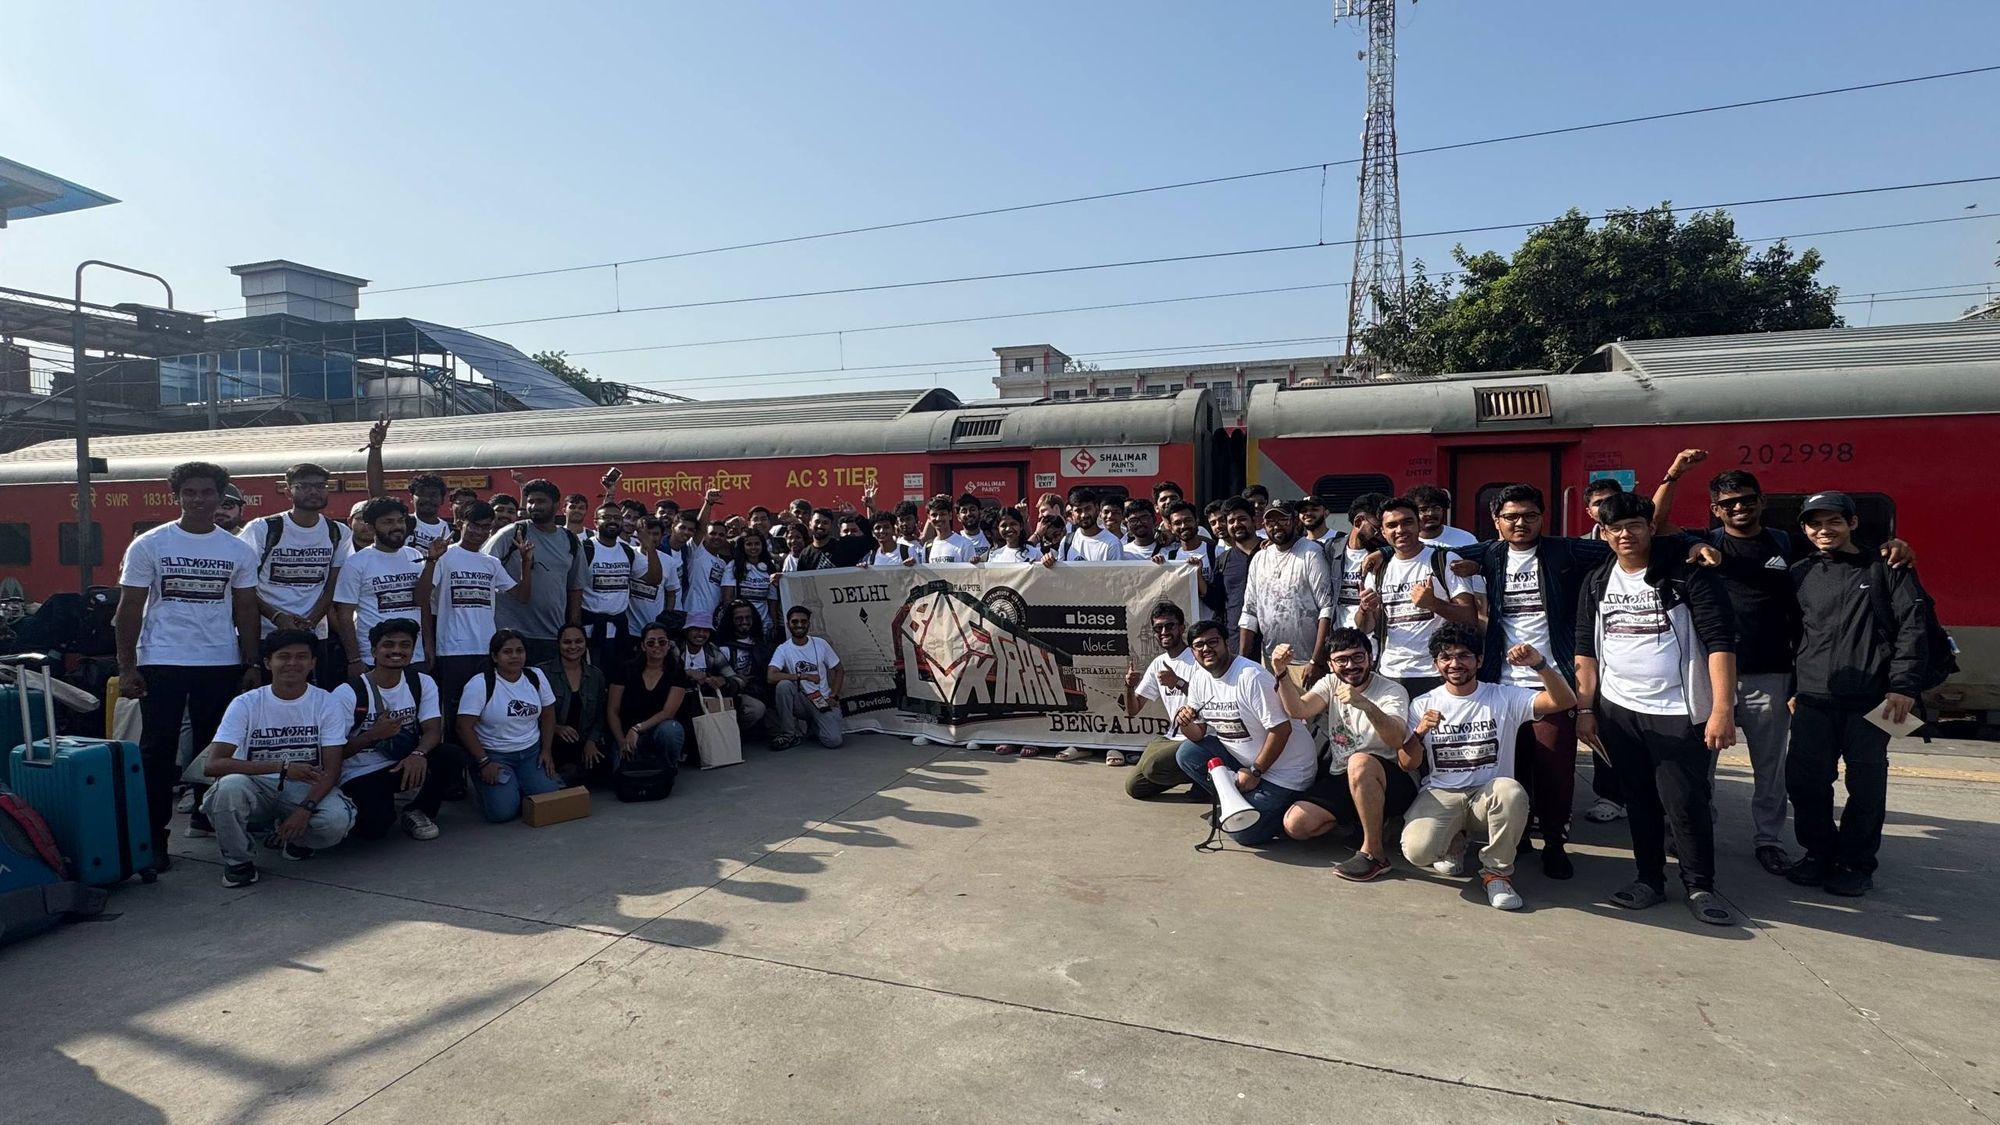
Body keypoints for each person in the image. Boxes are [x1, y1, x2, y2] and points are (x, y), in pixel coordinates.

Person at [1651, 452, 1915, 876]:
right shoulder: (1703, 543)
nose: (1739, 507)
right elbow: (1656, 523)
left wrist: (1894, 547)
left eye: (1747, 499)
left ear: (1761, 501)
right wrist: (1674, 473)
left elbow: (1837, 562)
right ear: (1715, 510)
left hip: (1771, 673)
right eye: (1728, 503)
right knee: (1699, 765)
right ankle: (1694, 830)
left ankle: (1769, 840)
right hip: (1709, 676)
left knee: (1770, 769)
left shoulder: (1785, 543)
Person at [1574, 491, 1740, 926]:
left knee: (1684, 801)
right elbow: (1585, 651)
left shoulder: (1686, 574)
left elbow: (1719, 641)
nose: (1625, 534)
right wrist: (1585, 708)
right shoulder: (1596, 580)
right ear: (1604, 534)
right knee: (1639, 800)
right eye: (1615, 528)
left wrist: (1722, 708)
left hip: (1678, 708)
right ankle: (1648, 879)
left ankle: (1700, 884)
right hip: (1617, 709)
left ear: (1651, 527)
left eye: (1634, 525)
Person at [1785, 491, 1932, 897]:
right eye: (1814, 523)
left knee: (1867, 785)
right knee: (1805, 783)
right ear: (1804, 530)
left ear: (1852, 523)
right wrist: (1795, 687)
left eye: (1833, 521)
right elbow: (1796, 634)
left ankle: (1855, 862)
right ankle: (1818, 853)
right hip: (1814, 696)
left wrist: (1903, 686)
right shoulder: (1800, 572)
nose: (1823, 530)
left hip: (1875, 698)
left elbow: (1911, 629)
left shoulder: (1888, 567)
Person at [116, 459, 263, 862]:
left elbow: (247, 610)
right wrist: (127, 667)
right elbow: (129, 610)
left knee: (212, 749)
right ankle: (154, 837)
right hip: (162, 660)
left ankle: (208, 819)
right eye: (190, 493)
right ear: (176, 497)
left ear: (221, 496)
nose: (199, 500)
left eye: (207, 492)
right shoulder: (150, 544)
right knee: (157, 751)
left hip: (219, 661)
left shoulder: (236, 549)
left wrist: (252, 663)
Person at [1399, 627, 1575, 910]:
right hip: (1442, 793)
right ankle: (1456, 840)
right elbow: (1407, 762)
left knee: (1511, 791)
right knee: (1417, 851)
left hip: (1487, 796)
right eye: (1446, 657)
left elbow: (1564, 701)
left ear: (1479, 660)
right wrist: (1418, 733)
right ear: (1436, 664)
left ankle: (1497, 873)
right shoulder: (1422, 704)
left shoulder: (1503, 696)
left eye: (1464, 656)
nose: (1455, 664)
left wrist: (1539, 664)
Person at [198, 629, 357, 886]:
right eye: (284, 656)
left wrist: (305, 810)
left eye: (302, 657)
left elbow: (332, 769)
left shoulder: (326, 703)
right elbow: (214, 765)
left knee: (336, 821)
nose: (292, 663)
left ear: (313, 662)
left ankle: (295, 840)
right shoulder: (246, 703)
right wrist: (282, 767)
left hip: (305, 788)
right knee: (228, 789)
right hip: (255, 784)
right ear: (268, 662)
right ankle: (239, 862)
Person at [1269, 629, 1412, 881]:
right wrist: (1281, 672)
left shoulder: (1391, 690)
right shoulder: (1331, 682)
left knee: (1359, 761)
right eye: (1341, 660)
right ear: (1331, 664)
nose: (1350, 666)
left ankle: (1374, 854)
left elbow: (1397, 739)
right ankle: (1363, 820)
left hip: (1388, 778)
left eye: (1358, 657)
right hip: (1344, 776)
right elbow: (1299, 709)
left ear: (1371, 657)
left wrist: (1366, 705)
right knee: (1296, 825)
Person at [1170, 619, 1319, 846]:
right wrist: (1184, 722)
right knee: (1187, 755)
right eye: (1200, 645)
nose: (1207, 649)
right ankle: (1240, 801)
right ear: (1193, 652)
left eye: (1213, 642)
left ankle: (1291, 806)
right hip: (1243, 761)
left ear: (1226, 644)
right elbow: (1198, 733)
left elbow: (1281, 730)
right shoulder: (1200, 678)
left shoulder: (1251, 677)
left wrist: (1255, 772)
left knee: (1244, 834)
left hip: (1285, 773)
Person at [332, 618, 463, 843]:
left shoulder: (422, 682)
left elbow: (432, 730)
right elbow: (334, 753)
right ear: (374, 650)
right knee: (372, 830)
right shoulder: (348, 693)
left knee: (451, 755)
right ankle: (347, 807)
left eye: (405, 645)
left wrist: (418, 754)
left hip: (402, 762)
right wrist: (373, 735)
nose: (397, 650)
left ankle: (418, 810)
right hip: (360, 772)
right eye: (388, 644)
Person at [240, 462, 351, 687]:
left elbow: (332, 586)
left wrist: (310, 621)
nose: (313, 492)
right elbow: (243, 586)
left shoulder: (339, 532)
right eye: (304, 486)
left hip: (313, 636)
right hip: (268, 634)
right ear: (287, 490)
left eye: (320, 486)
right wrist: (278, 617)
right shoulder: (262, 528)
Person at [1358, 497, 1476, 697]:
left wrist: (1434, 604)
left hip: (1437, 672)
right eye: (1392, 525)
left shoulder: (1445, 561)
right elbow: (1365, 627)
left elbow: (1470, 617)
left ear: (1419, 524)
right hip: (1390, 672)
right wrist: (1365, 610)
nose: (1400, 530)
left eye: (1407, 522)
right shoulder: (1377, 568)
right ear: (1383, 532)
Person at [430, 500, 527, 722]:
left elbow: (521, 596)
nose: (479, 532)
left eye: (486, 527)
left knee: (485, 712)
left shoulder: (491, 563)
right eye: (474, 525)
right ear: (460, 523)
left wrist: (525, 562)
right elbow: (422, 596)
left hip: (486, 650)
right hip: (452, 651)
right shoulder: (445, 556)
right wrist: (431, 561)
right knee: (455, 715)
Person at [457, 629, 562, 823]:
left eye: (519, 651)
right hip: (494, 755)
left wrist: (546, 751)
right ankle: (489, 782)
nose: (514, 656)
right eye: (507, 652)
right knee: (502, 813)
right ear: (494, 656)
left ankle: (519, 783)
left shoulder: (535, 676)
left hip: (530, 753)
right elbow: (463, 727)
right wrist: (484, 762)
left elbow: (548, 714)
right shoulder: (480, 684)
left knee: (549, 798)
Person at [333, 497, 442, 676]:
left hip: (414, 656)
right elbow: (344, 615)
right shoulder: (356, 563)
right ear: (371, 526)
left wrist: (428, 645)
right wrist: (354, 659)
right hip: (373, 659)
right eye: (388, 522)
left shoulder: (414, 555)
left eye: (400, 521)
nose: (397, 527)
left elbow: (423, 604)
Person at [486, 478, 586, 667]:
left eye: (541, 502)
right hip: (510, 635)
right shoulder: (512, 533)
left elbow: (575, 588)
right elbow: (484, 569)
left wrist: (573, 628)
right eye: (530, 501)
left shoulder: (570, 540)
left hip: (551, 634)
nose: (534, 506)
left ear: (556, 505)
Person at [1236, 501, 1334, 667]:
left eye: (1283, 520)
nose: (1276, 527)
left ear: (1296, 521)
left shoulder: (1311, 553)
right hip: (1271, 660)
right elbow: (1249, 612)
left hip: (1307, 662)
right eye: (1270, 522)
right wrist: (1242, 660)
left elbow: (1327, 608)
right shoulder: (1259, 558)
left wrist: (1316, 661)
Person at [1122, 602, 1200, 796]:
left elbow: (1215, 701)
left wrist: (1178, 683)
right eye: (1158, 628)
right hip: (1172, 737)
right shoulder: (1158, 663)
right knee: (1135, 787)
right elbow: (1133, 709)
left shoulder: (1198, 658)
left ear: (1182, 628)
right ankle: (1199, 775)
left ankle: (1209, 780)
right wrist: (1129, 687)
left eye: (1169, 626)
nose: (1163, 632)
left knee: (1152, 766)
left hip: (1201, 737)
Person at [608, 622, 691, 784]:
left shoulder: (676, 671)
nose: (657, 646)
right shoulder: (626, 669)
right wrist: (621, 741)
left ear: (668, 645)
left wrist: (637, 729)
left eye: (662, 642)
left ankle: (668, 767)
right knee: (622, 776)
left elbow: (668, 712)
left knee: (671, 730)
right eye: (651, 642)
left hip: (657, 729)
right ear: (643, 646)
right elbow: (613, 710)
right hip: (626, 733)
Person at [580, 501, 658, 669]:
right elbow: (573, 588)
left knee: (617, 677)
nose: (612, 521)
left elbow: (654, 579)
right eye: (606, 517)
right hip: (590, 628)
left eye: (617, 517)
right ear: (595, 522)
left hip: (619, 628)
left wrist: (650, 548)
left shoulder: (627, 550)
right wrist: (574, 623)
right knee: (592, 676)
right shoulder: (585, 548)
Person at [677, 610, 768, 749]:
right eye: (696, 629)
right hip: (679, 700)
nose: (701, 634)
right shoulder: (675, 648)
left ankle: (726, 737)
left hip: (708, 699)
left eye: (705, 630)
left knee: (756, 708)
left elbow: (737, 679)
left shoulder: (712, 651)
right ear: (687, 631)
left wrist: (723, 681)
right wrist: (687, 673)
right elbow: (662, 675)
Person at [540, 623, 609, 783]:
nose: (573, 646)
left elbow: (600, 715)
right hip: (552, 742)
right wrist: (556, 728)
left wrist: (592, 741)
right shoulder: (543, 673)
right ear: (558, 644)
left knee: (609, 767)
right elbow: (532, 714)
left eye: (578, 641)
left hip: (583, 740)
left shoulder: (596, 675)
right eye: (567, 642)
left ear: (585, 644)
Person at [768, 605, 845, 750]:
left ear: (809, 624)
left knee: (833, 741)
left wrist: (834, 696)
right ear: (788, 624)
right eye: (795, 622)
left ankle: (814, 725)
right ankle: (789, 735)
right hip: (801, 699)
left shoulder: (821, 644)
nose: (799, 625)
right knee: (783, 685)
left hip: (821, 700)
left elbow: (839, 670)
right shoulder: (783, 649)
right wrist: (803, 676)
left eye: (803, 621)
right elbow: (771, 676)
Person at [1335, 494, 1388, 628]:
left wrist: (1386, 551)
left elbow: (1421, 546)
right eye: (1377, 530)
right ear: (1358, 522)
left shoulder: (1387, 554)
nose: (1383, 536)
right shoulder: (1331, 550)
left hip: (1373, 640)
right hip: (1338, 640)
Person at [1214, 497, 1259, 654]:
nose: (1236, 524)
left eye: (1242, 519)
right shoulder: (1223, 561)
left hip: (1271, 640)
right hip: (1235, 641)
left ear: (1254, 521)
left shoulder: (1271, 552)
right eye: (1231, 521)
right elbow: (1218, 603)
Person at [1158, 502, 1217, 614]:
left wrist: (1198, 576)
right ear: (1170, 527)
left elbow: (1219, 601)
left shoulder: (1215, 552)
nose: (1183, 526)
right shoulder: (1170, 558)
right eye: (1177, 523)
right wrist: (1157, 566)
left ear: (1197, 521)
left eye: (1188, 520)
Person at [626, 516, 678, 640]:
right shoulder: (628, 554)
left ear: (662, 536)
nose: (650, 538)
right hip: (628, 629)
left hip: (654, 630)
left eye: (655, 534)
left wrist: (665, 619)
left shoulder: (669, 562)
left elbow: (671, 593)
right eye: (646, 533)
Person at [721, 528, 780, 629]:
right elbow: (728, 599)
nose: (753, 547)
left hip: (764, 625)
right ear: (743, 547)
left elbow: (772, 601)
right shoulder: (733, 567)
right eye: (749, 544)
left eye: (757, 544)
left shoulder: (770, 568)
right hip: (741, 624)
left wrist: (775, 624)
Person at [1054, 488, 1124, 561]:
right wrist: (1049, 561)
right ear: (1072, 514)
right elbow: (1061, 571)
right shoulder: (1066, 542)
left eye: (1088, 509)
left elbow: (1116, 572)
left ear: (1097, 509)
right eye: (1078, 511)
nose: (1084, 515)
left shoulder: (1112, 543)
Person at [1408, 484, 1477, 549]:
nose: (1430, 513)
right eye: (1423, 510)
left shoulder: (1466, 540)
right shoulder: (1405, 543)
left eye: (1436, 508)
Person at [406, 472, 453, 554]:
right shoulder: (402, 524)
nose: (427, 499)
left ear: (442, 500)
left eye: (433, 495)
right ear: (411, 498)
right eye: (422, 494)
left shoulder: (453, 532)